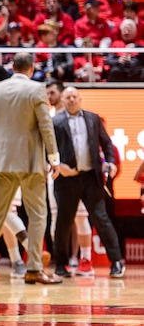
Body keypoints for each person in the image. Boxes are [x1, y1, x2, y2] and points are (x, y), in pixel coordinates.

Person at [0, 52, 62, 285]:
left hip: (0, 161)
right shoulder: (36, 89)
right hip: (30, 162)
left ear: (13, 67)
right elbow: (46, 126)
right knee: (37, 215)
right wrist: (53, 157)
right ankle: (33, 268)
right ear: (31, 69)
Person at [52, 87, 126, 278]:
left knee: (101, 219)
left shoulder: (93, 119)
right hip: (66, 179)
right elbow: (46, 148)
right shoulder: (55, 122)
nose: (71, 100)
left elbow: (107, 143)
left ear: (80, 99)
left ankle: (116, 261)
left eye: (74, 97)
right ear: (62, 99)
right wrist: (58, 165)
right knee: (63, 222)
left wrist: (110, 162)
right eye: (67, 97)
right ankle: (61, 264)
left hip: (90, 178)